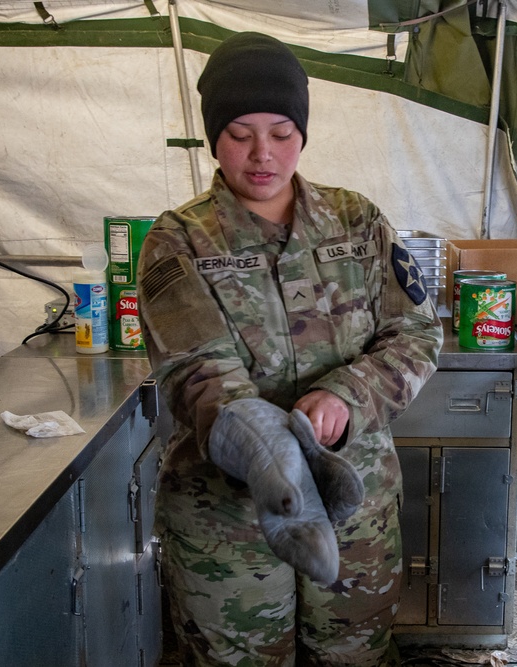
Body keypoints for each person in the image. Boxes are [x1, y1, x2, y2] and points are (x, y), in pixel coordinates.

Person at [136, 31, 443, 666]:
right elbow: (198, 371)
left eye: (281, 131)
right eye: (240, 133)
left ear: (302, 131)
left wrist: (346, 394)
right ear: (212, 135)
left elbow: (415, 333)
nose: (261, 154)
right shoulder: (176, 242)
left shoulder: (357, 222)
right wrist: (263, 444)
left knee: (353, 657)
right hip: (229, 526)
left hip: (355, 510)